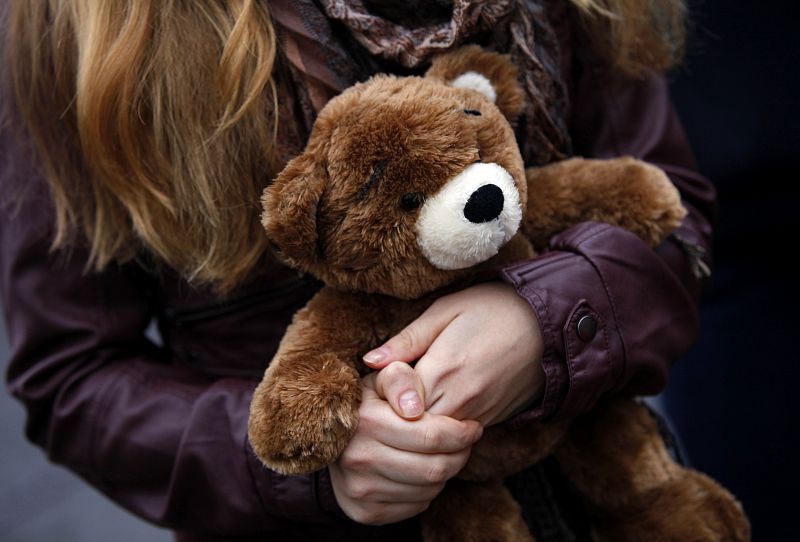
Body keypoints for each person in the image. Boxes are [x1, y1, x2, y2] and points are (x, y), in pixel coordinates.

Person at [0, 1, 713, 541]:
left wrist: (546, 320)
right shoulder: (87, 28)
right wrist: (310, 457)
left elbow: (672, 217)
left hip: (599, 498)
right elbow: (73, 375)